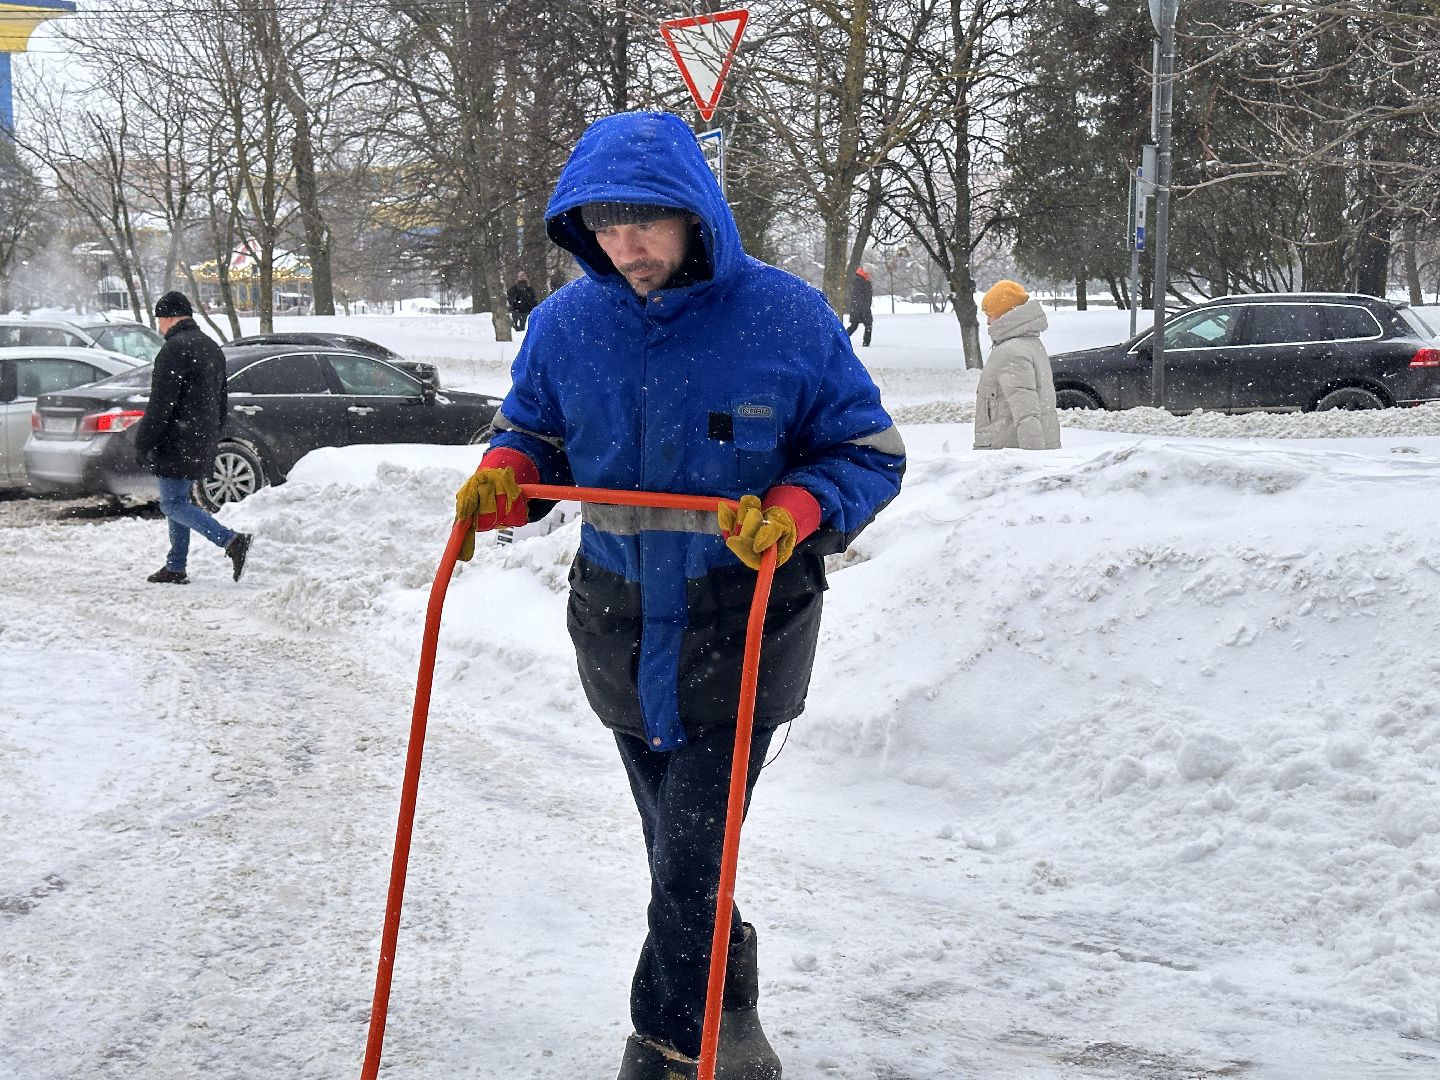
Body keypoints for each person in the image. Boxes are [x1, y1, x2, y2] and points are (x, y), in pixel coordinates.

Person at [452, 111, 905, 1080]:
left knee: (686, 873)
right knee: (681, 863)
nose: (627, 246)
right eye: (606, 226)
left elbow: (867, 452)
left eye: (647, 222)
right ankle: (730, 991)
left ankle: (664, 1051)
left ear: (696, 214)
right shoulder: (568, 327)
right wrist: (504, 472)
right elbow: (533, 432)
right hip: (617, 641)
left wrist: (794, 506)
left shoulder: (784, 319)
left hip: (743, 640)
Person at [133, 291, 252, 585]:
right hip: (200, 436)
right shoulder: (211, 347)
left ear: (170, 317)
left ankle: (231, 541)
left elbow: (160, 404)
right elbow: (221, 398)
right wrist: (212, 432)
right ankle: (175, 567)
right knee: (179, 500)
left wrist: (143, 441)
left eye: (160, 319)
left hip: (176, 439)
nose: (159, 326)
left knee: (172, 504)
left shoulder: (173, 350)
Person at [973, 279, 1061, 450]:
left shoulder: (1011, 351)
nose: (988, 322)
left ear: (1004, 313)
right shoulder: (1030, 343)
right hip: (1017, 451)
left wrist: (1034, 463)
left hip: (1006, 455)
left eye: (990, 314)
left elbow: (1027, 414)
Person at [844, 265, 873, 346]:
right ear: (866, 272)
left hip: (860, 307)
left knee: (854, 326)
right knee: (867, 325)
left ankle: (842, 338)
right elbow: (858, 296)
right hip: (860, 308)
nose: (871, 275)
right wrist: (864, 308)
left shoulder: (864, 280)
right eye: (870, 273)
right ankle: (866, 343)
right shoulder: (860, 281)